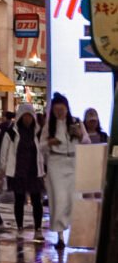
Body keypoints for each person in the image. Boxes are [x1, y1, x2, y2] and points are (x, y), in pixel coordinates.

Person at [41, 92, 90, 249]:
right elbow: (40, 146)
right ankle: (60, 236)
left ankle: (76, 232)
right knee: (59, 199)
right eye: (56, 110)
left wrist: (80, 134)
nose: (60, 113)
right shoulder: (50, 126)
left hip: (73, 162)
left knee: (74, 198)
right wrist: (50, 142)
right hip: (56, 162)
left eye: (62, 110)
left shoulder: (76, 122)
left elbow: (87, 141)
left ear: (67, 109)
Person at [0, 102, 45, 240]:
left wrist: (44, 168)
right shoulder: (12, 132)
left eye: (30, 116)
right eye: (25, 116)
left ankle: (38, 228)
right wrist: (3, 168)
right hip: (18, 171)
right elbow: (4, 151)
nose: (27, 119)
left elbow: (42, 150)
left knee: (37, 200)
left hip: (34, 170)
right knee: (19, 200)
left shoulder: (37, 132)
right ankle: (20, 226)